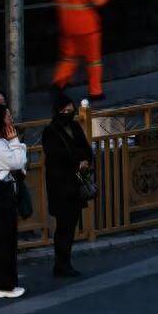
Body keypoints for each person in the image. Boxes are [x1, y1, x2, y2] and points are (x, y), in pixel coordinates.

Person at [41, 93, 93, 278]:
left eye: (70, 110)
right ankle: (61, 264)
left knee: (70, 226)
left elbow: (85, 148)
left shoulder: (75, 126)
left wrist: (85, 160)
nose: (68, 113)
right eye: (64, 111)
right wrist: (76, 163)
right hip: (61, 188)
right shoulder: (50, 131)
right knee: (63, 227)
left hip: (76, 186)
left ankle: (66, 263)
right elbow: (56, 158)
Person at [0, 104, 27, 299]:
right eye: (7, 115)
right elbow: (17, 162)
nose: (11, 118)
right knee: (5, 241)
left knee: (1, 240)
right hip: (1, 196)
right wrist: (15, 140)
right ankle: (4, 286)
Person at [51, 0, 112, 101]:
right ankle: (96, 92)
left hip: (67, 24)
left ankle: (58, 83)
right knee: (94, 61)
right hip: (86, 25)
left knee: (69, 58)